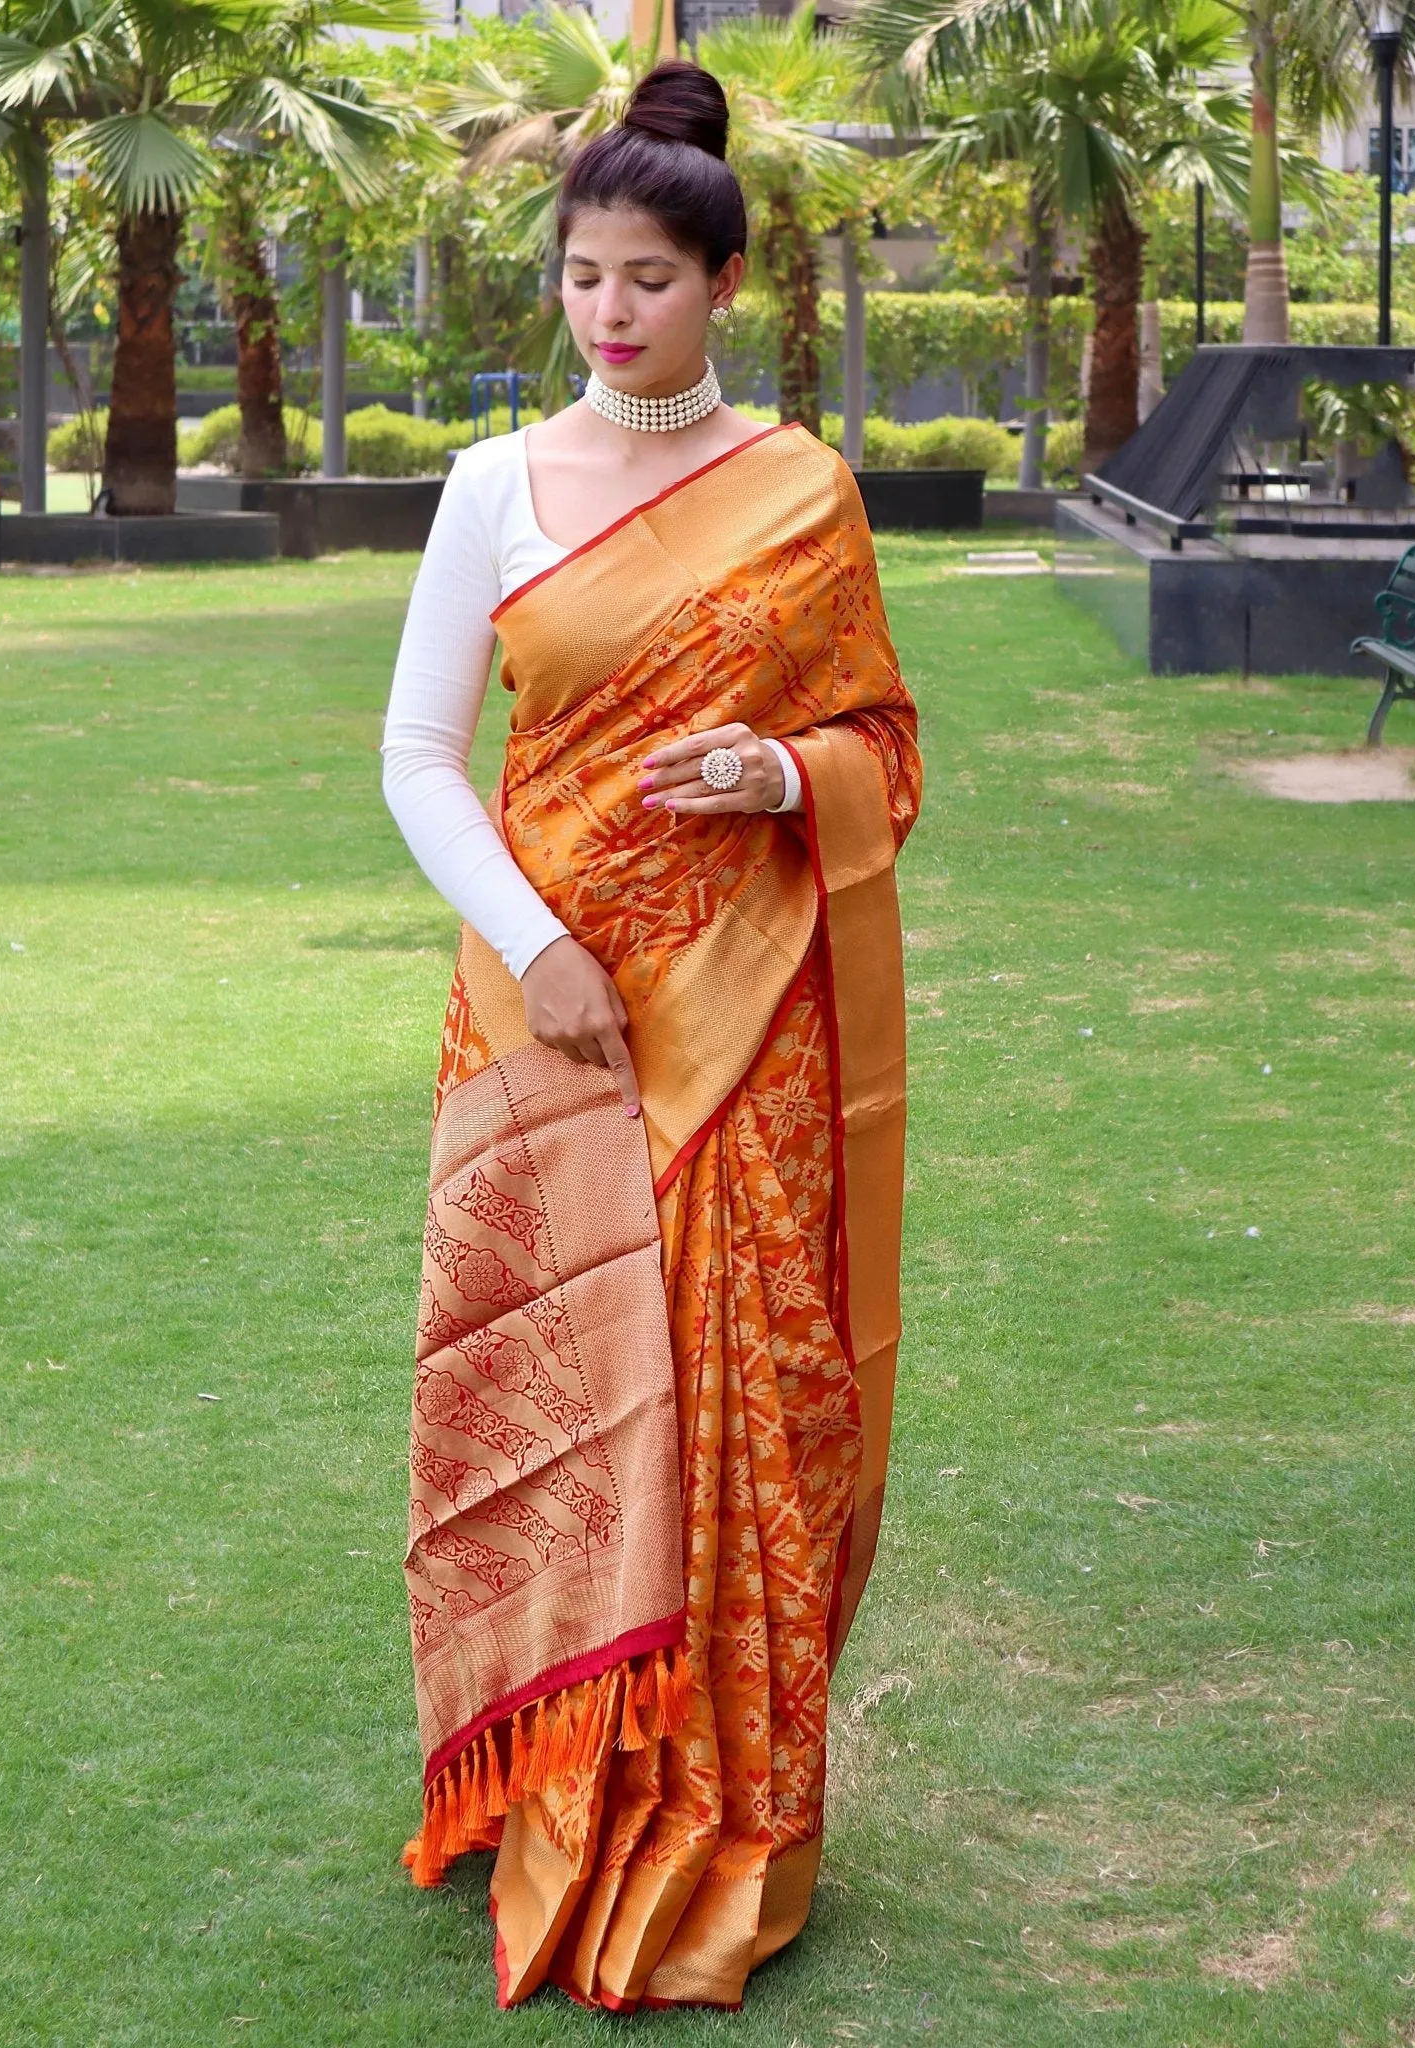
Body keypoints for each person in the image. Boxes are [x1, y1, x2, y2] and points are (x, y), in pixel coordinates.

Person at [381, 57, 921, 2013]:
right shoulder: (491, 489)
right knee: (546, 1407)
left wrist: (787, 764)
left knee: (732, 1400)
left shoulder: (796, 491)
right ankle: (554, 1768)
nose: (610, 312)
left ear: (723, 285)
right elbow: (422, 755)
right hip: (541, 1021)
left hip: (748, 1025)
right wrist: (535, 945)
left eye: (648, 278)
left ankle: (718, 1806)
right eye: (581, 274)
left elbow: (886, 746)